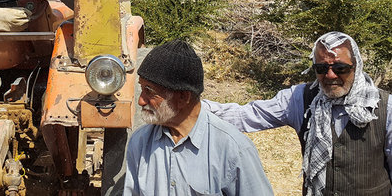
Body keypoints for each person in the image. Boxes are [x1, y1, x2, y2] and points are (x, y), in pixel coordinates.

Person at [204, 31, 392, 196]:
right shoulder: (302, 99)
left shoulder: (385, 107)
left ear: (356, 66)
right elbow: (247, 115)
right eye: (321, 68)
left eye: (340, 68)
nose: (330, 75)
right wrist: (193, 109)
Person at [124, 39, 273, 196]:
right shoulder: (140, 142)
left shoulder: (233, 150)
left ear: (183, 97)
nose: (141, 100)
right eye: (141, 89)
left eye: (150, 91)